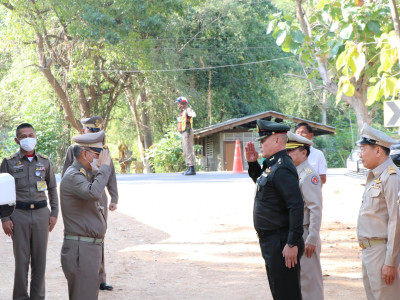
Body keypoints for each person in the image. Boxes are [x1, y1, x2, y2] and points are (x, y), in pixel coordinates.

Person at [244, 119, 304, 300]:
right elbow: (267, 189)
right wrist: (253, 164)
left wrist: (292, 242)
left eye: (263, 141)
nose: (260, 145)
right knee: (279, 291)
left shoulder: (282, 167)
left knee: (287, 293)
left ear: (277, 140)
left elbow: (296, 205)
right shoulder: (272, 164)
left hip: (281, 241)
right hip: (272, 240)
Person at [0, 123, 59, 299]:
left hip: (42, 214)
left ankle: (37, 297)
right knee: (22, 261)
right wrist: (4, 218)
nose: (28, 139)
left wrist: (54, 213)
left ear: (36, 137)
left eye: (31, 135)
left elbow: (52, 188)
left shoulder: (45, 161)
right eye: (23, 136)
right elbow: (1, 191)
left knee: (40, 261)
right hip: (19, 215)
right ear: (17, 140)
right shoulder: (9, 162)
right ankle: (19, 297)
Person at [61, 116, 117, 291]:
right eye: (97, 155)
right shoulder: (75, 160)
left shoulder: (96, 158)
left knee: (97, 238)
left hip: (95, 199)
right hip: (84, 196)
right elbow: (86, 187)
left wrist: (114, 197)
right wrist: (103, 168)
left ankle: (100, 276)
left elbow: (110, 175)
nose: (100, 159)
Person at [357, 123, 400, 299]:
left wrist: (390, 262)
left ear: (378, 151)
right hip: (368, 250)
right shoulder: (376, 177)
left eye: (363, 149)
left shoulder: (391, 177)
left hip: (382, 253)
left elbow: (396, 222)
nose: (360, 155)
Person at [286, 131, 324, 300]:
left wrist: (313, 237)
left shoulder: (308, 175)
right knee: (299, 283)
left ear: (304, 152)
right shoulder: (296, 172)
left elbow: (315, 208)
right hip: (297, 232)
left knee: (310, 284)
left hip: (306, 233)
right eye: (286, 151)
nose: (288, 154)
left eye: (292, 150)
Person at [176, 96, 196, 175]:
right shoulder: (183, 112)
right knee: (185, 150)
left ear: (183, 103)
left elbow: (193, 114)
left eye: (179, 103)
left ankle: (192, 168)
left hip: (187, 132)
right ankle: (189, 168)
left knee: (188, 150)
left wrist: (189, 112)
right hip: (184, 132)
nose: (178, 105)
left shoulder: (187, 110)